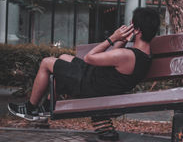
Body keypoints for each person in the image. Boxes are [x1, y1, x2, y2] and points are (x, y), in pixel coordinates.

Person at [8, 7, 160, 121]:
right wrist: (123, 41)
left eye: (131, 24)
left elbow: (89, 58)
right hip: (99, 80)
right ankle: (48, 106)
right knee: (63, 57)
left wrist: (112, 38)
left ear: (137, 30)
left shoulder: (127, 55)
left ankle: (30, 108)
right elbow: (112, 61)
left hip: (90, 85)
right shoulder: (144, 55)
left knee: (46, 62)